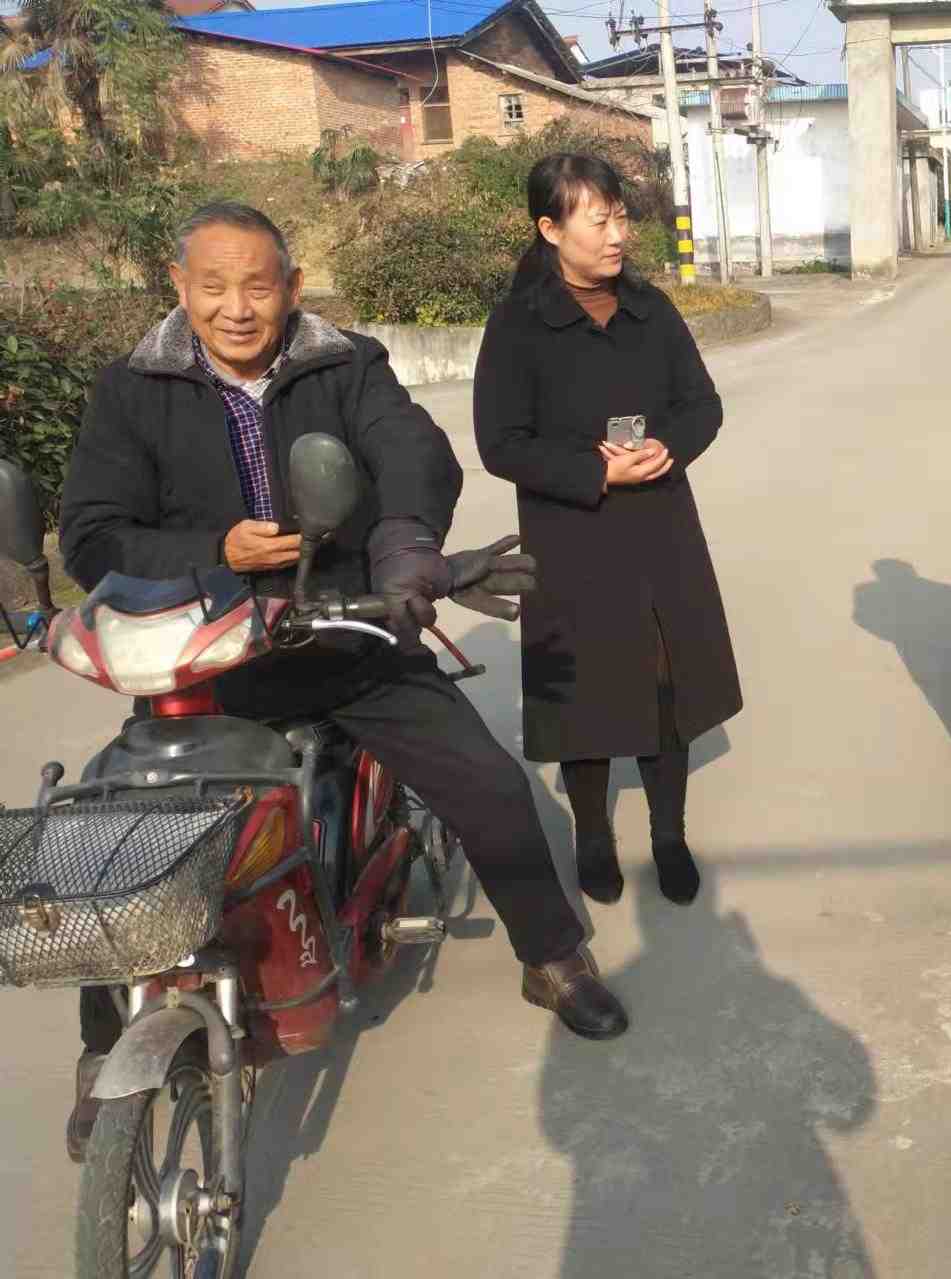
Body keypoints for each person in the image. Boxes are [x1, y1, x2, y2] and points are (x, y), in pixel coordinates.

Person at [57, 202, 631, 1160]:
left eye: (257, 285)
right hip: (206, 651)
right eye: (213, 287)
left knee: (489, 785)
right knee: (124, 831)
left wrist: (404, 553)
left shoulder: (344, 362)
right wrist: (216, 550)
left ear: (290, 286)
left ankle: (553, 953)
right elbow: (92, 532)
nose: (237, 307)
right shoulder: (131, 389)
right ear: (179, 288)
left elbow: (412, 452)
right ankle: (102, 1042)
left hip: (346, 627)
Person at [474, 154, 741, 911]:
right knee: (583, 698)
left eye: (620, 216)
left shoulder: (651, 311)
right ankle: (591, 837)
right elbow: (502, 443)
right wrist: (592, 472)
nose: (618, 234)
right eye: (599, 220)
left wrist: (669, 447)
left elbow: (703, 405)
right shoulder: (519, 324)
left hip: (660, 531)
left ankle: (668, 835)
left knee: (665, 689)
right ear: (551, 228)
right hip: (572, 538)